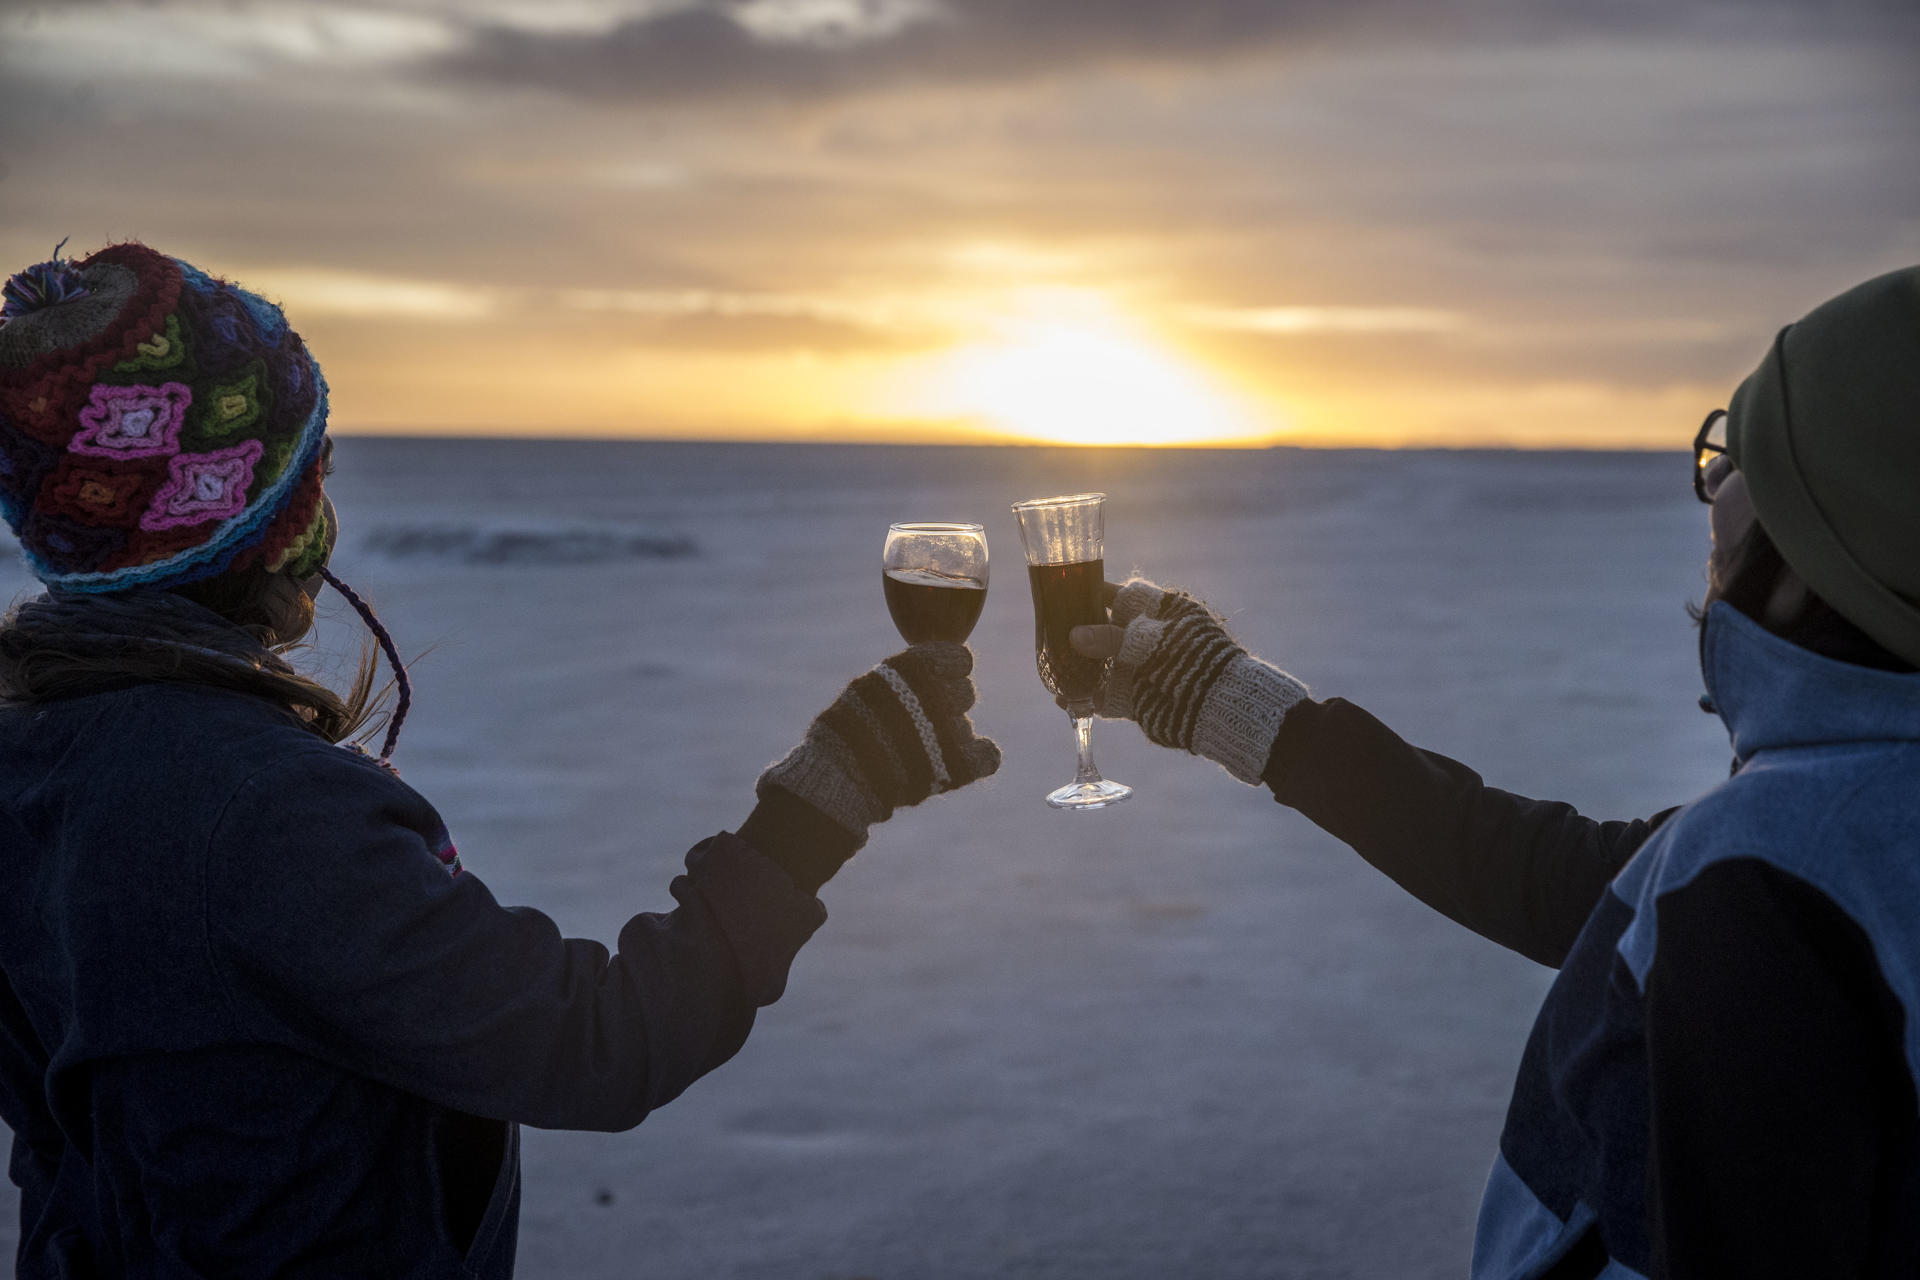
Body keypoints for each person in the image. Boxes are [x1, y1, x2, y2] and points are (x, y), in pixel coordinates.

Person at [0, 241, 1001, 1278]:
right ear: (253, 518)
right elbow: (597, 1043)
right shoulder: (269, 815)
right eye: (314, 475)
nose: (328, 519)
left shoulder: (29, 756)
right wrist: (832, 790)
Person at [1071, 267, 1920, 1279]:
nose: (1711, 485)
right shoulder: (1851, 810)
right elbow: (1587, 881)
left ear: (1826, 533)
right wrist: (1244, 711)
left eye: (1741, 455)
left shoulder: (1771, 872)